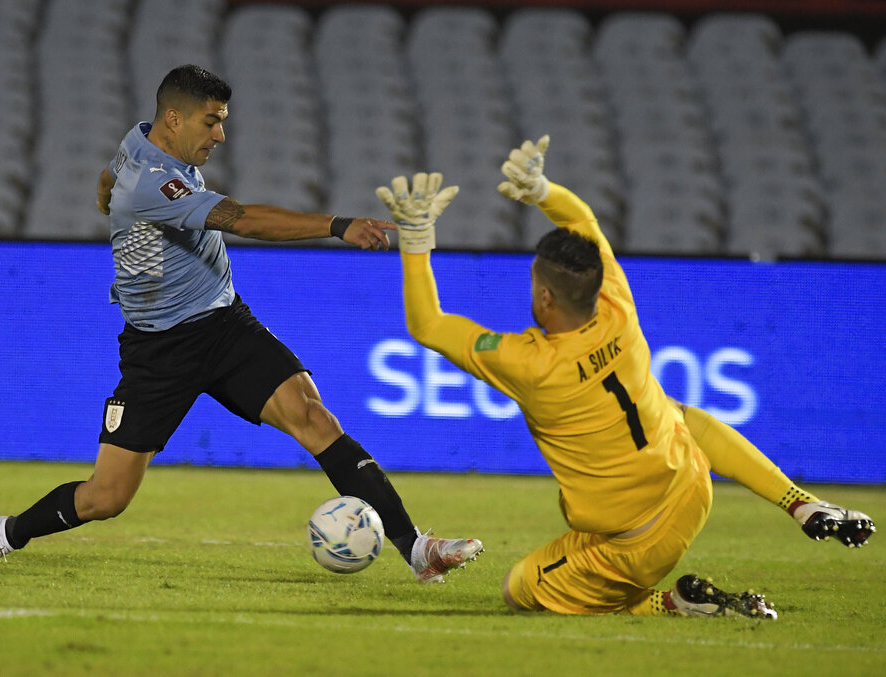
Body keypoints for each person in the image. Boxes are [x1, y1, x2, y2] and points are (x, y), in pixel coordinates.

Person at [0, 65, 483, 583]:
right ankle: (4, 534)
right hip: (160, 351)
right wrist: (337, 225)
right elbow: (241, 219)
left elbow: (111, 172)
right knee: (105, 498)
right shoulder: (154, 185)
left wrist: (104, 194)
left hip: (224, 324)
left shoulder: (138, 143)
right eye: (212, 120)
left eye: (222, 119)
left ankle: (416, 549)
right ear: (175, 119)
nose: (221, 134)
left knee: (314, 417)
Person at [375, 135, 875, 617]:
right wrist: (544, 191)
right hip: (691, 490)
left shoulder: (529, 363)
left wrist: (416, 239)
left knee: (519, 589)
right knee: (677, 414)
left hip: (633, 544)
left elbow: (429, 324)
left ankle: (668, 604)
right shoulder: (616, 303)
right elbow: (581, 218)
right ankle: (799, 503)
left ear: (545, 298)